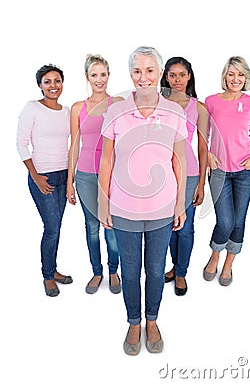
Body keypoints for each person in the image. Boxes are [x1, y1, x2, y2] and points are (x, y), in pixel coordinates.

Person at [98, 46, 187, 355]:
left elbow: (179, 161)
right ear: (131, 74)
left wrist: (179, 205)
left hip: (162, 207)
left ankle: (152, 319)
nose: (144, 77)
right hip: (124, 208)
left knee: (155, 267)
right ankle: (134, 321)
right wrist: (102, 203)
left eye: (150, 70)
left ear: (159, 74)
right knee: (131, 270)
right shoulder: (116, 112)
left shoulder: (174, 111)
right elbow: (106, 160)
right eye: (137, 71)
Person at [203, 56, 250, 286]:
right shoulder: (211, 101)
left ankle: (228, 263)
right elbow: (202, 133)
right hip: (219, 172)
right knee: (225, 222)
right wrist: (207, 154)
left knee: (238, 221)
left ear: (245, 77)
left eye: (240, 74)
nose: (235, 79)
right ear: (224, 76)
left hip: (245, 171)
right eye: (231, 74)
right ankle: (215, 255)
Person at [67, 54, 122, 294]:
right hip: (86, 177)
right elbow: (74, 145)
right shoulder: (78, 107)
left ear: (109, 75)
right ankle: (97, 272)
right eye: (94, 75)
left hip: (113, 176)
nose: (99, 80)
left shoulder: (118, 103)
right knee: (91, 227)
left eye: (103, 74)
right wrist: (70, 181)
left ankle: (113, 271)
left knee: (110, 226)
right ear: (87, 78)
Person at [16, 64, 73, 297]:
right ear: (40, 85)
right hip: (43, 177)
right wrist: (35, 176)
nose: (53, 85)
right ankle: (48, 276)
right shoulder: (32, 108)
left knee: (56, 227)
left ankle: (53, 269)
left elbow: (72, 145)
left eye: (57, 81)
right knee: (51, 228)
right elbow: (20, 143)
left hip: (63, 175)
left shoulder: (67, 111)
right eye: (47, 81)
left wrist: (71, 179)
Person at [160, 57, 208, 295]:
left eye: (182, 74)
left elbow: (202, 147)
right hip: (161, 173)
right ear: (165, 77)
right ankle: (172, 266)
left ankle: (181, 273)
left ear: (189, 76)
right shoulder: (156, 102)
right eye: (172, 75)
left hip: (189, 173)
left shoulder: (198, 108)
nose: (177, 80)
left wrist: (201, 183)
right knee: (168, 226)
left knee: (186, 227)